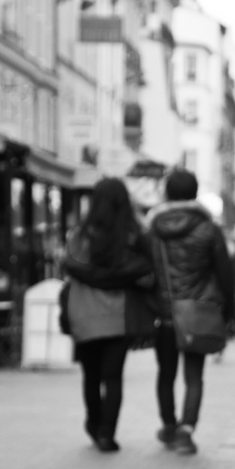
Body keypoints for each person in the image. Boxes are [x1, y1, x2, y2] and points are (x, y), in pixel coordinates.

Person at [61, 177, 156, 453]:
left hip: (84, 314)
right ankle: (107, 433)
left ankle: (93, 422)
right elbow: (146, 277)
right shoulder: (133, 237)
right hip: (118, 316)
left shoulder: (80, 235)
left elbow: (73, 269)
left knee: (90, 375)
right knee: (113, 378)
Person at [146, 169, 235, 456]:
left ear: (167, 193)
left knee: (165, 374)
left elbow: (145, 270)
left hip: (164, 311)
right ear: (195, 193)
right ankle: (186, 431)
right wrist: (229, 310)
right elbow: (225, 272)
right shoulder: (209, 229)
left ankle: (169, 425)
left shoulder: (152, 229)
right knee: (194, 375)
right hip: (199, 311)